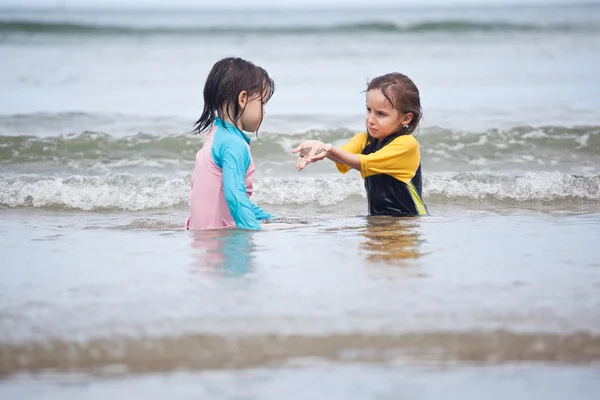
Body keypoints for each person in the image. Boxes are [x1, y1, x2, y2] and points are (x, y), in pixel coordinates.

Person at [293, 72, 428, 217]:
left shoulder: (406, 144)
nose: (370, 119)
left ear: (406, 118)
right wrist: (320, 147)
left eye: (381, 114)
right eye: (369, 110)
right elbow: (343, 157)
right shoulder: (364, 139)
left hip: (409, 221)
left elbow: (364, 162)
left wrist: (330, 150)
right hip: (379, 219)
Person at [186, 57, 275, 230]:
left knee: (286, 225)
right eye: (262, 103)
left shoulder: (215, 136)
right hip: (220, 241)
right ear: (243, 99)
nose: (264, 111)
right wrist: (255, 230)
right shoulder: (234, 144)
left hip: (202, 241)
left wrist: (271, 218)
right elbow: (234, 196)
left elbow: (231, 199)